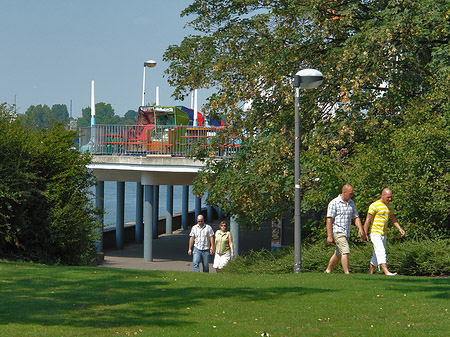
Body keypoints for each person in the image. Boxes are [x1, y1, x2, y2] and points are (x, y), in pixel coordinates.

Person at [325, 184, 367, 274]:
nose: (352, 195)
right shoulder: (334, 203)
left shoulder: (351, 203)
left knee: (338, 253)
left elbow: (356, 217)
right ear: (344, 192)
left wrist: (360, 229)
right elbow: (329, 220)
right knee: (345, 250)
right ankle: (347, 273)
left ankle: (328, 270)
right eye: (350, 194)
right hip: (338, 231)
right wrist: (329, 235)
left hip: (346, 232)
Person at [364, 188, 405, 276]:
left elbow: (393, 218)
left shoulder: (390, 205)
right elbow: (368, 219)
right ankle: (386, 272)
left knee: (376, 254)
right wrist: (364, 233)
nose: (389, 199)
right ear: (382, 196)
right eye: (388, 197)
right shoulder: (374, 205)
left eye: (390, 197)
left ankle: (370, 274)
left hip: (384, 234)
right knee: (381, 251)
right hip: (375, 233)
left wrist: (399, 228)